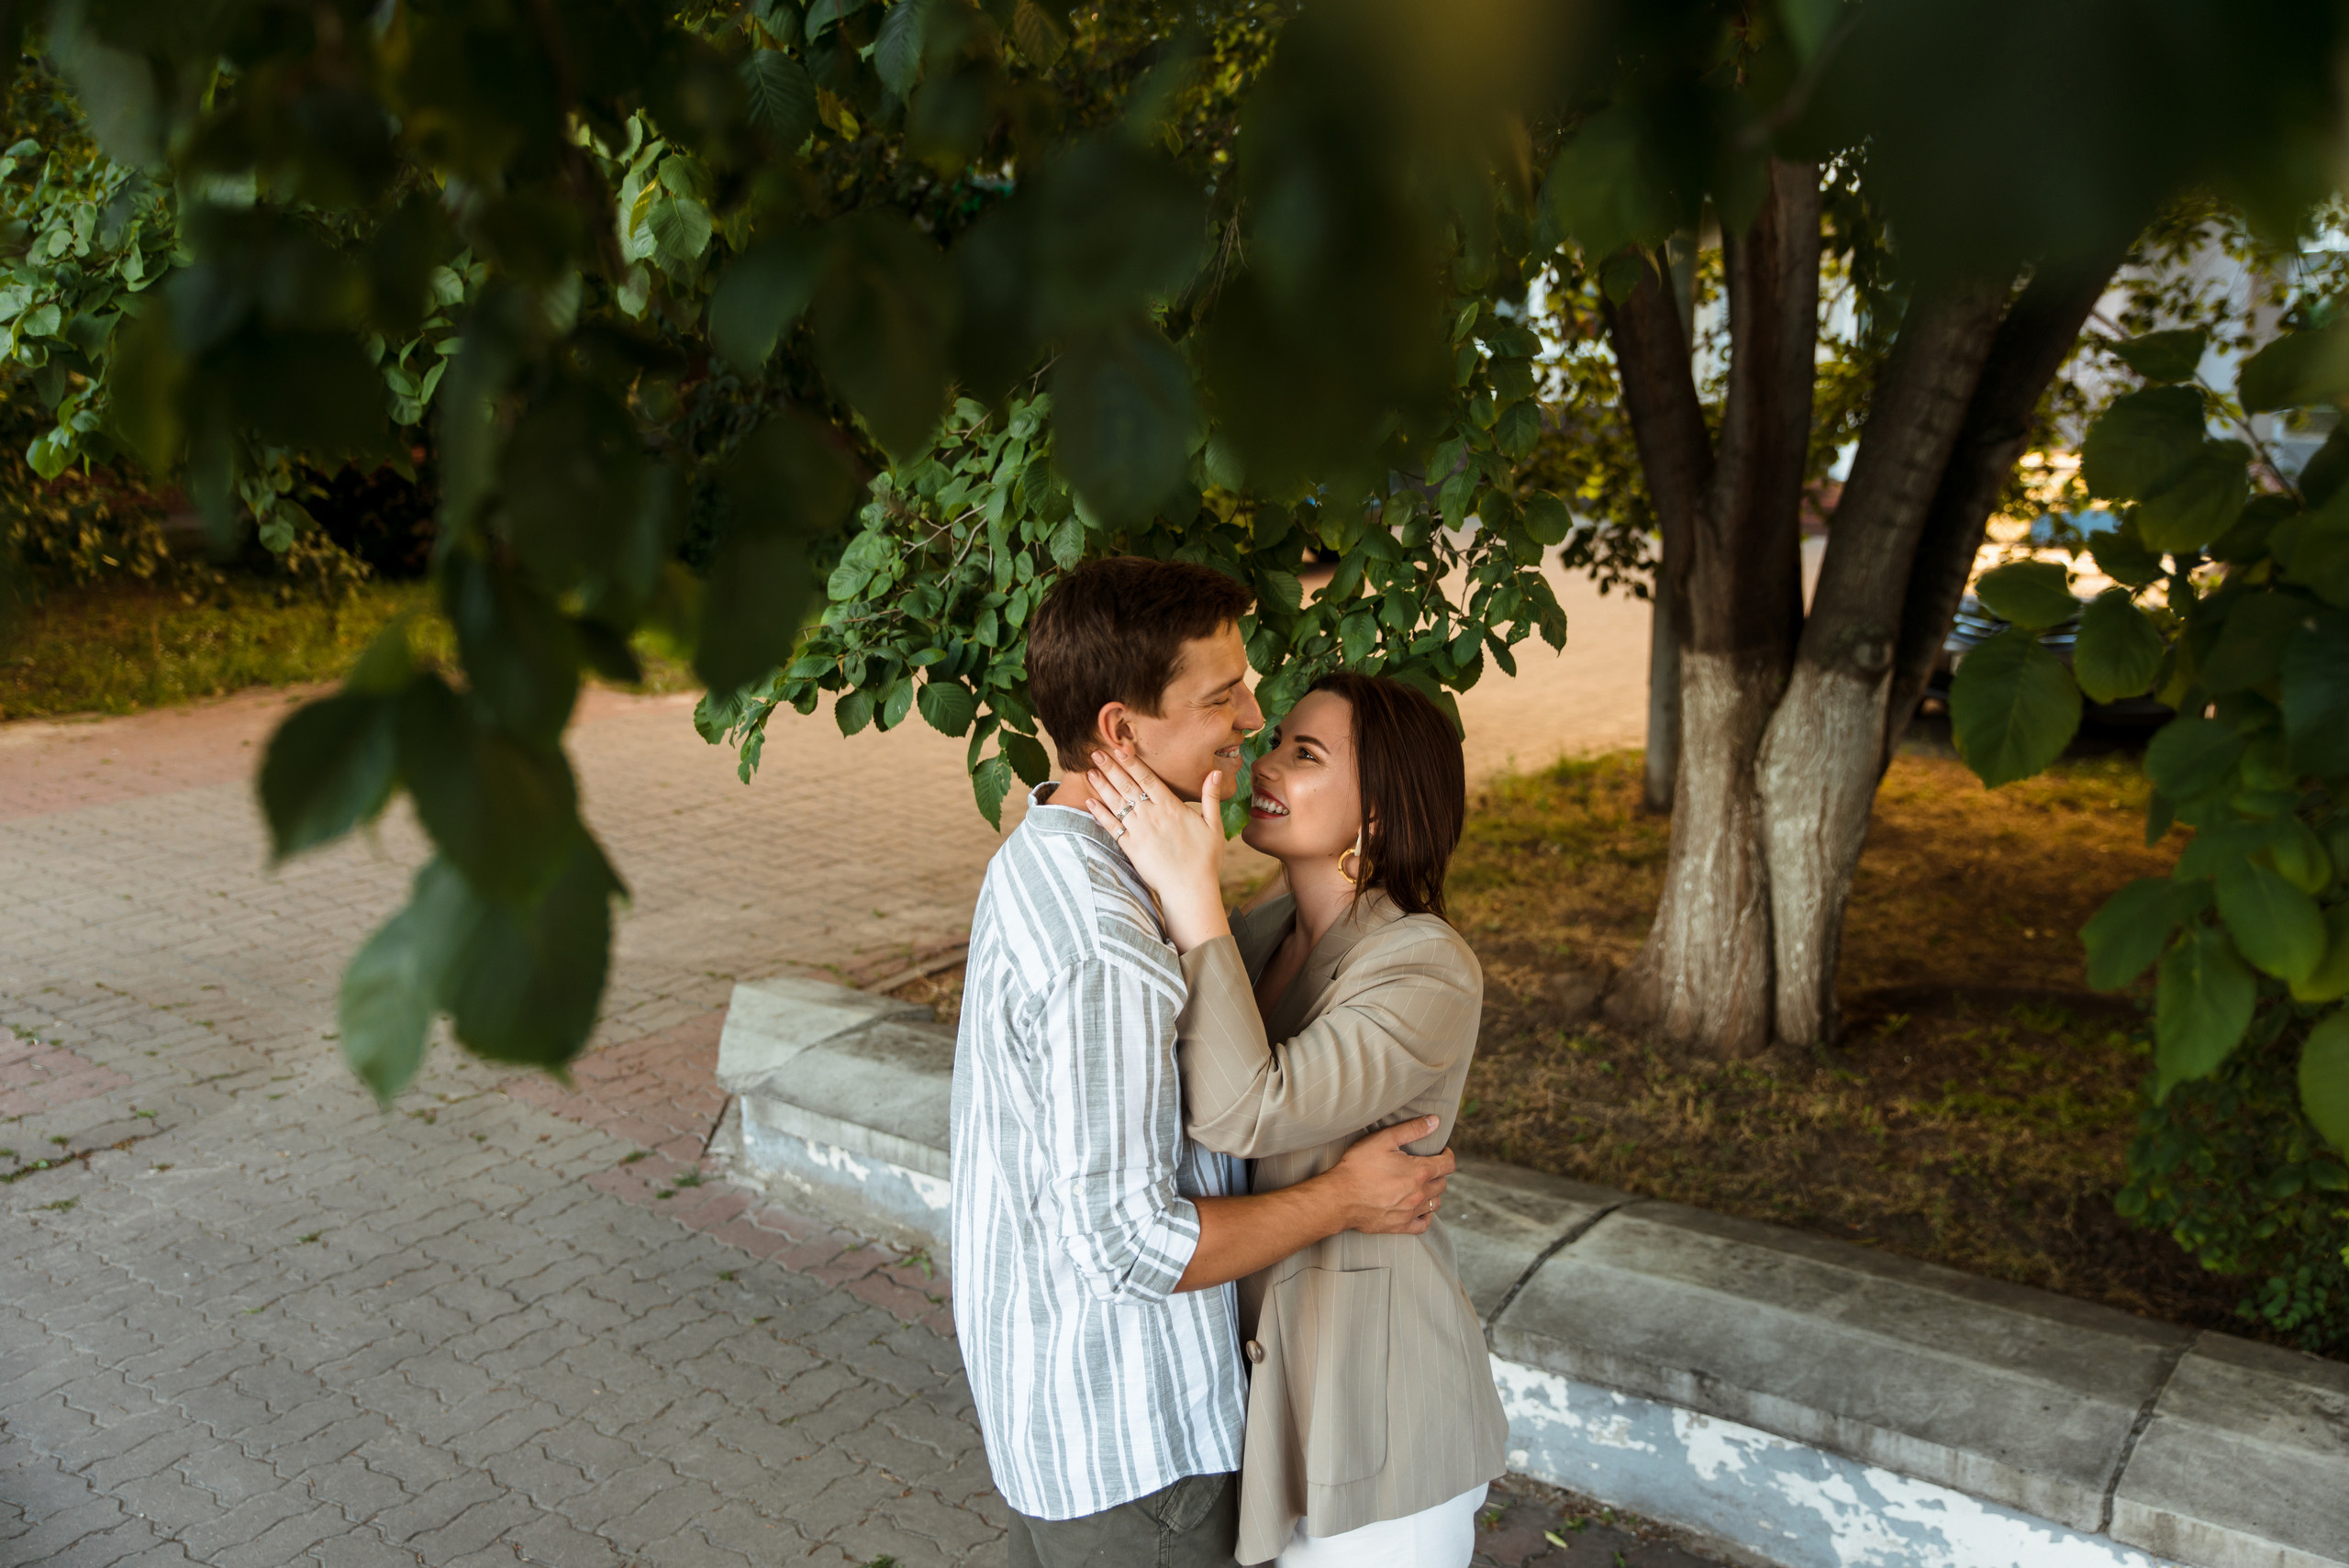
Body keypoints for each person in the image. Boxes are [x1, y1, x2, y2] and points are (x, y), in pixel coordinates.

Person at [950, 559, 1459, 1568]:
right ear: (1121, 730)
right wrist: (1346, 1195)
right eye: (1222, 697)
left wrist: (1194, 895)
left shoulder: (1042, 850)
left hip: (1068, 1401)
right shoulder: (1115, 941)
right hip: (1134, 1436)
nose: (1250, 721)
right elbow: (1132, 1243)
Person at [1078, 672, 1508, 1568]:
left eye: (1304, 754)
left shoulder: (1424, 963)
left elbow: (1245, 1109)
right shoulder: (1265, 926)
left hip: (1379, 1408)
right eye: (1275, 739)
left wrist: (1190, 890)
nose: (1261, 762)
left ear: (1379, 815)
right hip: (1261, 1394)